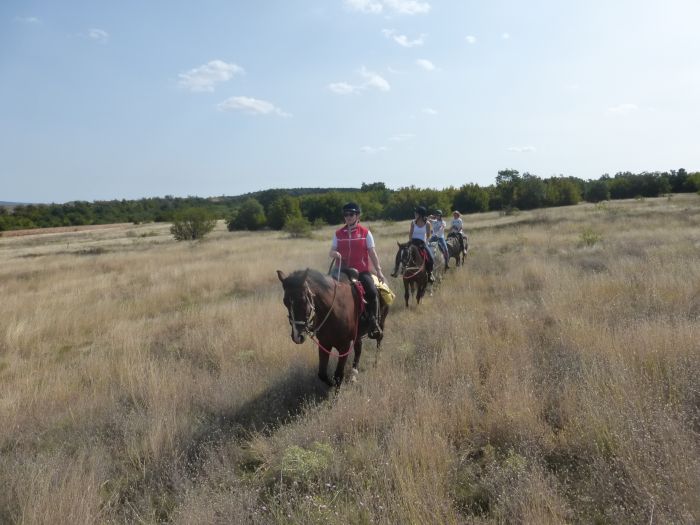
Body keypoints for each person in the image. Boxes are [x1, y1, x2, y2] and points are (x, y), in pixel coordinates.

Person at [329, 202, 387, 339]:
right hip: (341, 271)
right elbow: (331, 251)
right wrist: (334, 254)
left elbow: (372, 253)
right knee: (325, 290)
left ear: (357, 215)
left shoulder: (365, 233)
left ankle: (373, 322)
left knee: (372, 292)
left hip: (361, 271)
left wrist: (378, 271)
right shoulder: (338, 233)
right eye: (345, 214)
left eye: (351, 214)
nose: (348, 217)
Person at [408, 205, 435, 282]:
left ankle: (430, 273)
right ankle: (400, 270)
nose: (415, 214)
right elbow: (410, 234)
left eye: (416, 213)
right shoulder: (413, 222)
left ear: (420, 214)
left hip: (422, 243)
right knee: (403, 253)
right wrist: (410, 242)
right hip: (413, 242)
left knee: (431, 258)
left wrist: (425, 243)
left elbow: (428, 235)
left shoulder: (427, 224)